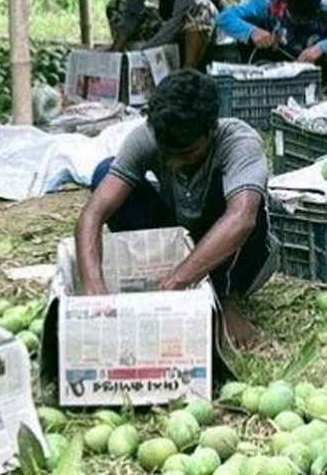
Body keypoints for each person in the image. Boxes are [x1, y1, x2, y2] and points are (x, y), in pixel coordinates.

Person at [76, 70, 277, 347]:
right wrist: (92, 284)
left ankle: (225, 298)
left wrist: (176, 282)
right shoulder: (146, 137)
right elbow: (93, 213)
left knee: (242, 202)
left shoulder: (239, 143)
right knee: (104, 173)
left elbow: (241, 220)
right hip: (180, 236)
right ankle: (187, 281)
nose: (173, 163)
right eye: (166, 152)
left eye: (186, 154)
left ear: (211, 131)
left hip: (235, 257)